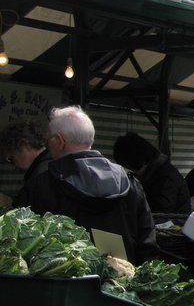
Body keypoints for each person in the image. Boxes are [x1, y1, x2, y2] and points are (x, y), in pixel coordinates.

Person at [22, 106, 158, 264]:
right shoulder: (129, 181)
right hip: (123, 285)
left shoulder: (41, 185)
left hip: (63, 285)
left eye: (49, 139)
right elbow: (147, 244)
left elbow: (25, 243)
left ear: (59, 141)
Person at [112, 132, 191, 214]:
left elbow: (161, 213)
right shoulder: (150, 173)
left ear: (142, 162)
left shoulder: (166, 177)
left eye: (128, 167)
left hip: (174, 224)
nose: (127, 171)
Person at [0, 120, 52, 207]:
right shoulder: (51, 164)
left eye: (11, 159)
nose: (13, 165)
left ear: (25, 145)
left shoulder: (41, 174)